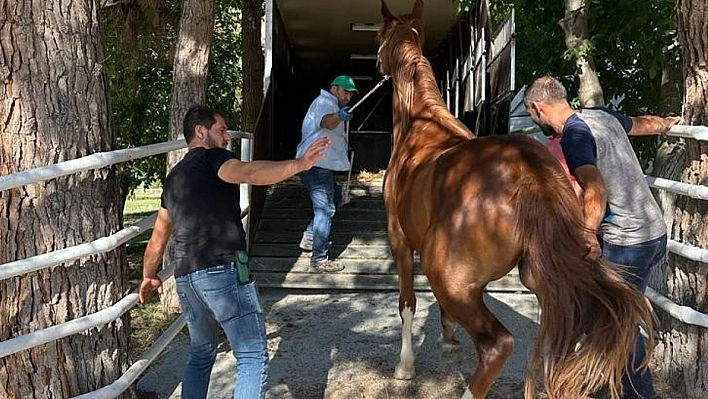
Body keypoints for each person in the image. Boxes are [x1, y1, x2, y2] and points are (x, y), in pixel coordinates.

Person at [138, 105, 330, 399]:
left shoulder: (173, 178)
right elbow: (249, 172)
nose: (227, 137)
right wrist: (300, 164)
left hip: (187, 278)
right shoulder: (212, 158)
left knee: (201, 354)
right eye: (222, 130)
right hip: (222, 271)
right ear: (201, 132)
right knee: (252, 355)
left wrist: (148, 275)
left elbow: (159, 236)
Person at [524, 76, 680, 399]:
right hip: (654, 233)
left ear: (538, 108)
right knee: (607, 315)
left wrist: (588, 233)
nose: (534, 120)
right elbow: (638, 124)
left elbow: (594, 188)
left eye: (531, 115)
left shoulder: (574, 134)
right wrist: (666, 124)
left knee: (616, 323)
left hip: (627, 242)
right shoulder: (601, 116)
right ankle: (604, 382)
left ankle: (639, 393)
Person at [295, 75, 359, 272]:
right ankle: (319, 259)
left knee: (336, 197)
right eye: (345, 92)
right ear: (334, 88)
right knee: (325, 210)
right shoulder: (325, 102)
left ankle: (310, 236)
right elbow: (326, 123)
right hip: (317, 164)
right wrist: (340, 116)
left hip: (320, 164)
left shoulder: (328, 103)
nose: (348, 97)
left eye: (350, 94)